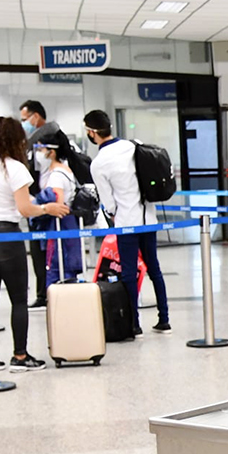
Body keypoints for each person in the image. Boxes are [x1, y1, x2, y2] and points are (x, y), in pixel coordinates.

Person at [0, 116, 68, 371]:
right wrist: (46, 207)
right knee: (18, 299)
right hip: (7, 237)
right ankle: (20, 356)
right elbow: (24, 208)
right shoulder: (14, 168)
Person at [85, 109, 170, 334]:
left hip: (126, 222)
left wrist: (114, 212)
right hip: (149, 219)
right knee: (155, 269)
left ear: (92, 133)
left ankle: (134, 324)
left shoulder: (99, 163)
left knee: (129, 273)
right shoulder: (134, 145)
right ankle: (164, 318)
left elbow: (108, 202)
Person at [19, 101, 63, 308]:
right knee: (38, 253)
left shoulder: (50, 137)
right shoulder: (33, 141)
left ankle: (50, 292)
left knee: (49, 253)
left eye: (25, 119)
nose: (24, 123)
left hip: (49, 205)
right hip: (36, 204)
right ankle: (43, 293)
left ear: (36, 116)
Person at [32, 130, 84, 288]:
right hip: (68, 224)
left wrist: (37, 204)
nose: (38, 153)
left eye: (41, 149)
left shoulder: (56, 175)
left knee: (57, 267)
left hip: (59, 225)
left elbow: (57, 204)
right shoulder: (64, 170)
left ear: (51, 152)